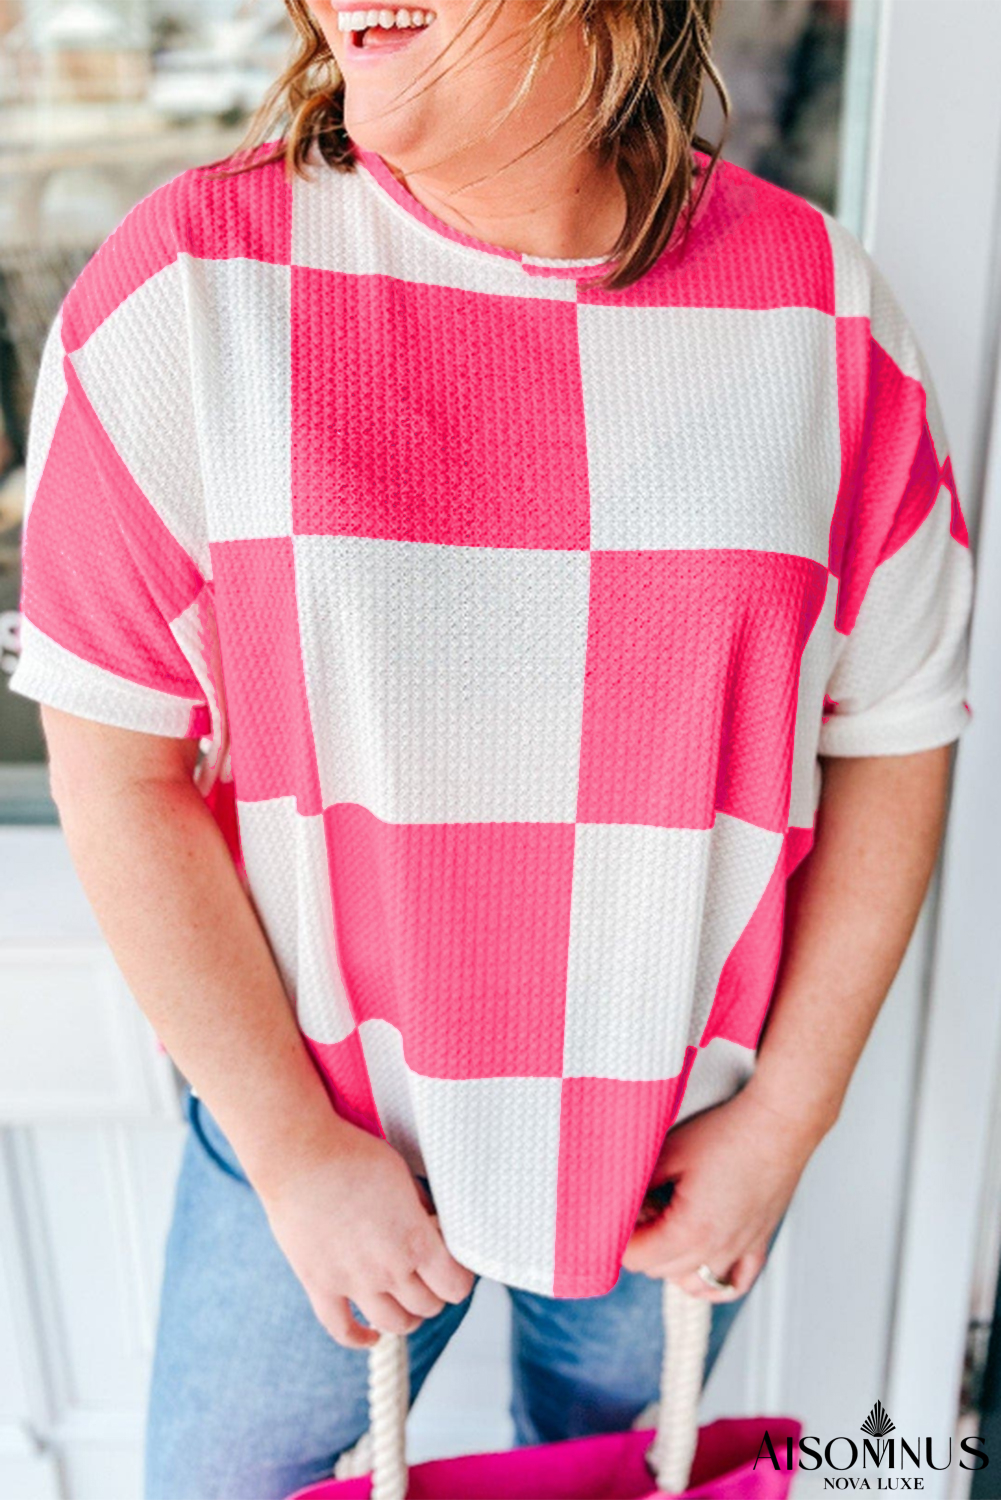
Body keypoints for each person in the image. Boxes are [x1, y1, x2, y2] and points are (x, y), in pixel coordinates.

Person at [9, 3, 975, 1498]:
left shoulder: (821, 313)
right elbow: (114, 762)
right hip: (313, 1120)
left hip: (666, 1147)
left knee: (603, 1479)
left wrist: (785, 1118)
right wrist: (286, 1147)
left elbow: (896, 735)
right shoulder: (190, 290)